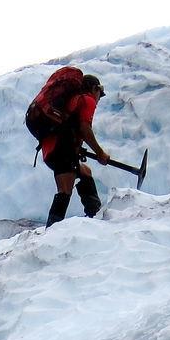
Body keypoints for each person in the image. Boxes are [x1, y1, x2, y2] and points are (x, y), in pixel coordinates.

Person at [39, 74, 111, 226]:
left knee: (85, 172)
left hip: (52, 149)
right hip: (61, 148)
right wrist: (100, 153)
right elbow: (85, 128)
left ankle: (95, 214)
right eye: (99, 94)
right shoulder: (87, 100)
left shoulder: (72, 102)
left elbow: (71, 128)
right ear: (94, 89)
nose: (99, 99)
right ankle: (51, 231)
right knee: (65, 190)